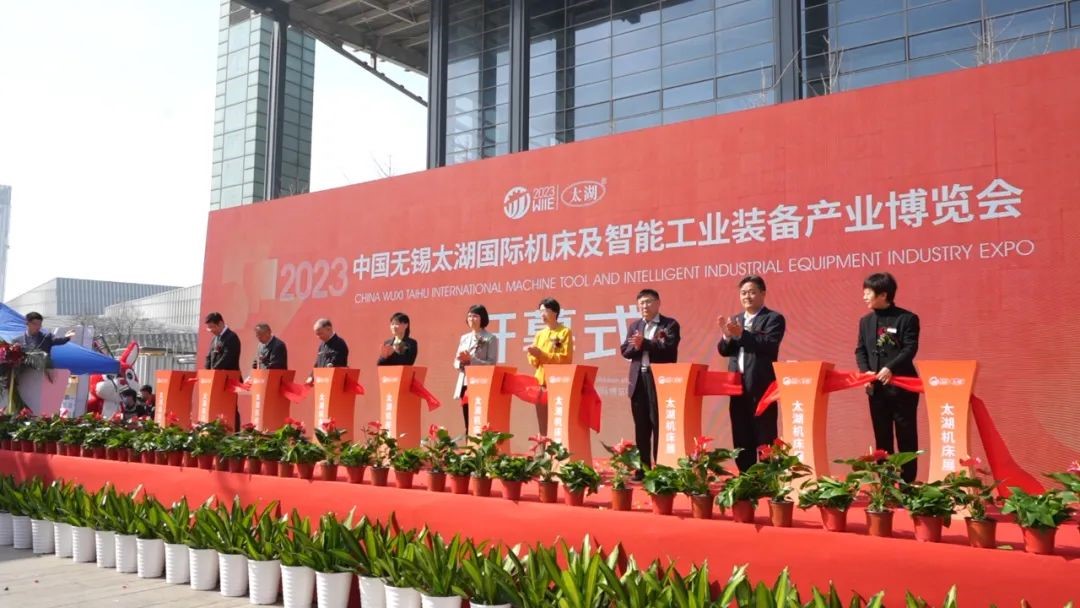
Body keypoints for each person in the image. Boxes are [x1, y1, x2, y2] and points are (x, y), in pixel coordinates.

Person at [855, 272, 921, 483]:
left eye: (868, 292)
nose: (864, 296)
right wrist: (865, 373)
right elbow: (860, 350)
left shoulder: (907, 318)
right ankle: (886, 484)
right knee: (882, 438)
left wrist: (890, 367)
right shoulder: (865, 321)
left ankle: (907, 484)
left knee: (906, 436)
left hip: (903, 389)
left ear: (883, 294)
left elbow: (910, 348)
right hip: (877, 390)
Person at [717, 275, 786, 473]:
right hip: (737, 386)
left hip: (761, 385)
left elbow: (769, 344)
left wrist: (742, 334)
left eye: (752, 292)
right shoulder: (736, 319)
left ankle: (766, 476)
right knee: (741, 431)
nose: (747, 296)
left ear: (763, 294)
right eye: (743, 293)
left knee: (764, 431)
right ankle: (745, 475)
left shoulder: (773, 319)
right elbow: (724, 351)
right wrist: (726, 336)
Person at [620, 288, 680, 479]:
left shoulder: (669, 324)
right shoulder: (635, 325)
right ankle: (642, 468)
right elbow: (625, 350)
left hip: (659, 380)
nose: (645, 306)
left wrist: (644, 343)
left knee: (659, 424)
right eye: (641, 303)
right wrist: (637, 346)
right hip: (639, 379)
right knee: (641, 426)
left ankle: (661, 467)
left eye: (648, 302)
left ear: (658, 303)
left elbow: (669, 349)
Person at [525, 298, 573, 436]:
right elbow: (533, 361)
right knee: (542, 423)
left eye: (545, 311)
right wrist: (534, 355)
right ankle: (543, 447)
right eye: (540, 311)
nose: (542, 314)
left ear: (555, 312)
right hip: (541, 383)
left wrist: (542, 355)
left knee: (557, 421)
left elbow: (565, 359)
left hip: (557, 383)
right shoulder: (540, 334)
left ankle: (557, 448)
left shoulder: (564, 332)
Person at [453, 305, 499, 432]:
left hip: (480, 383)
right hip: (465, 382)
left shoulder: (490, 338)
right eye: (469, 316)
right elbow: (456, 361)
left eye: (475, 316)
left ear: (482, 318)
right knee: (467, 419)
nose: (471, 319)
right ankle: (469, 443)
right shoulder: (464, 338)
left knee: (479, 419)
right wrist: (461, 363)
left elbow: (491, 363)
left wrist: (471, 360)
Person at [203, 312, 242, 429]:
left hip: (229, 379)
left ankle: (235, 432)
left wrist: (214, 371)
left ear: (220, 323)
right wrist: (207, 372)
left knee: (231, 407)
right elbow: (209, 356)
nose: (211, 330)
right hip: (216, 379)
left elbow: (227, 357)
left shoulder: (231, 337)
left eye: (212, 327)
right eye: (209, 328)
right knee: (217, 406)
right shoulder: (215, 339)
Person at [307, 318, 348, 383]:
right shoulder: (322, 345)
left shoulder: (339, 343)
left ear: (329, 329)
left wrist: (330, 366)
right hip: (322, 382)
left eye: (320, 333)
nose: (318, 337)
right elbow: (318, 362)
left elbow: (338, 363)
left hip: (334, 382)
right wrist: (311, 377)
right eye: (317, 334)